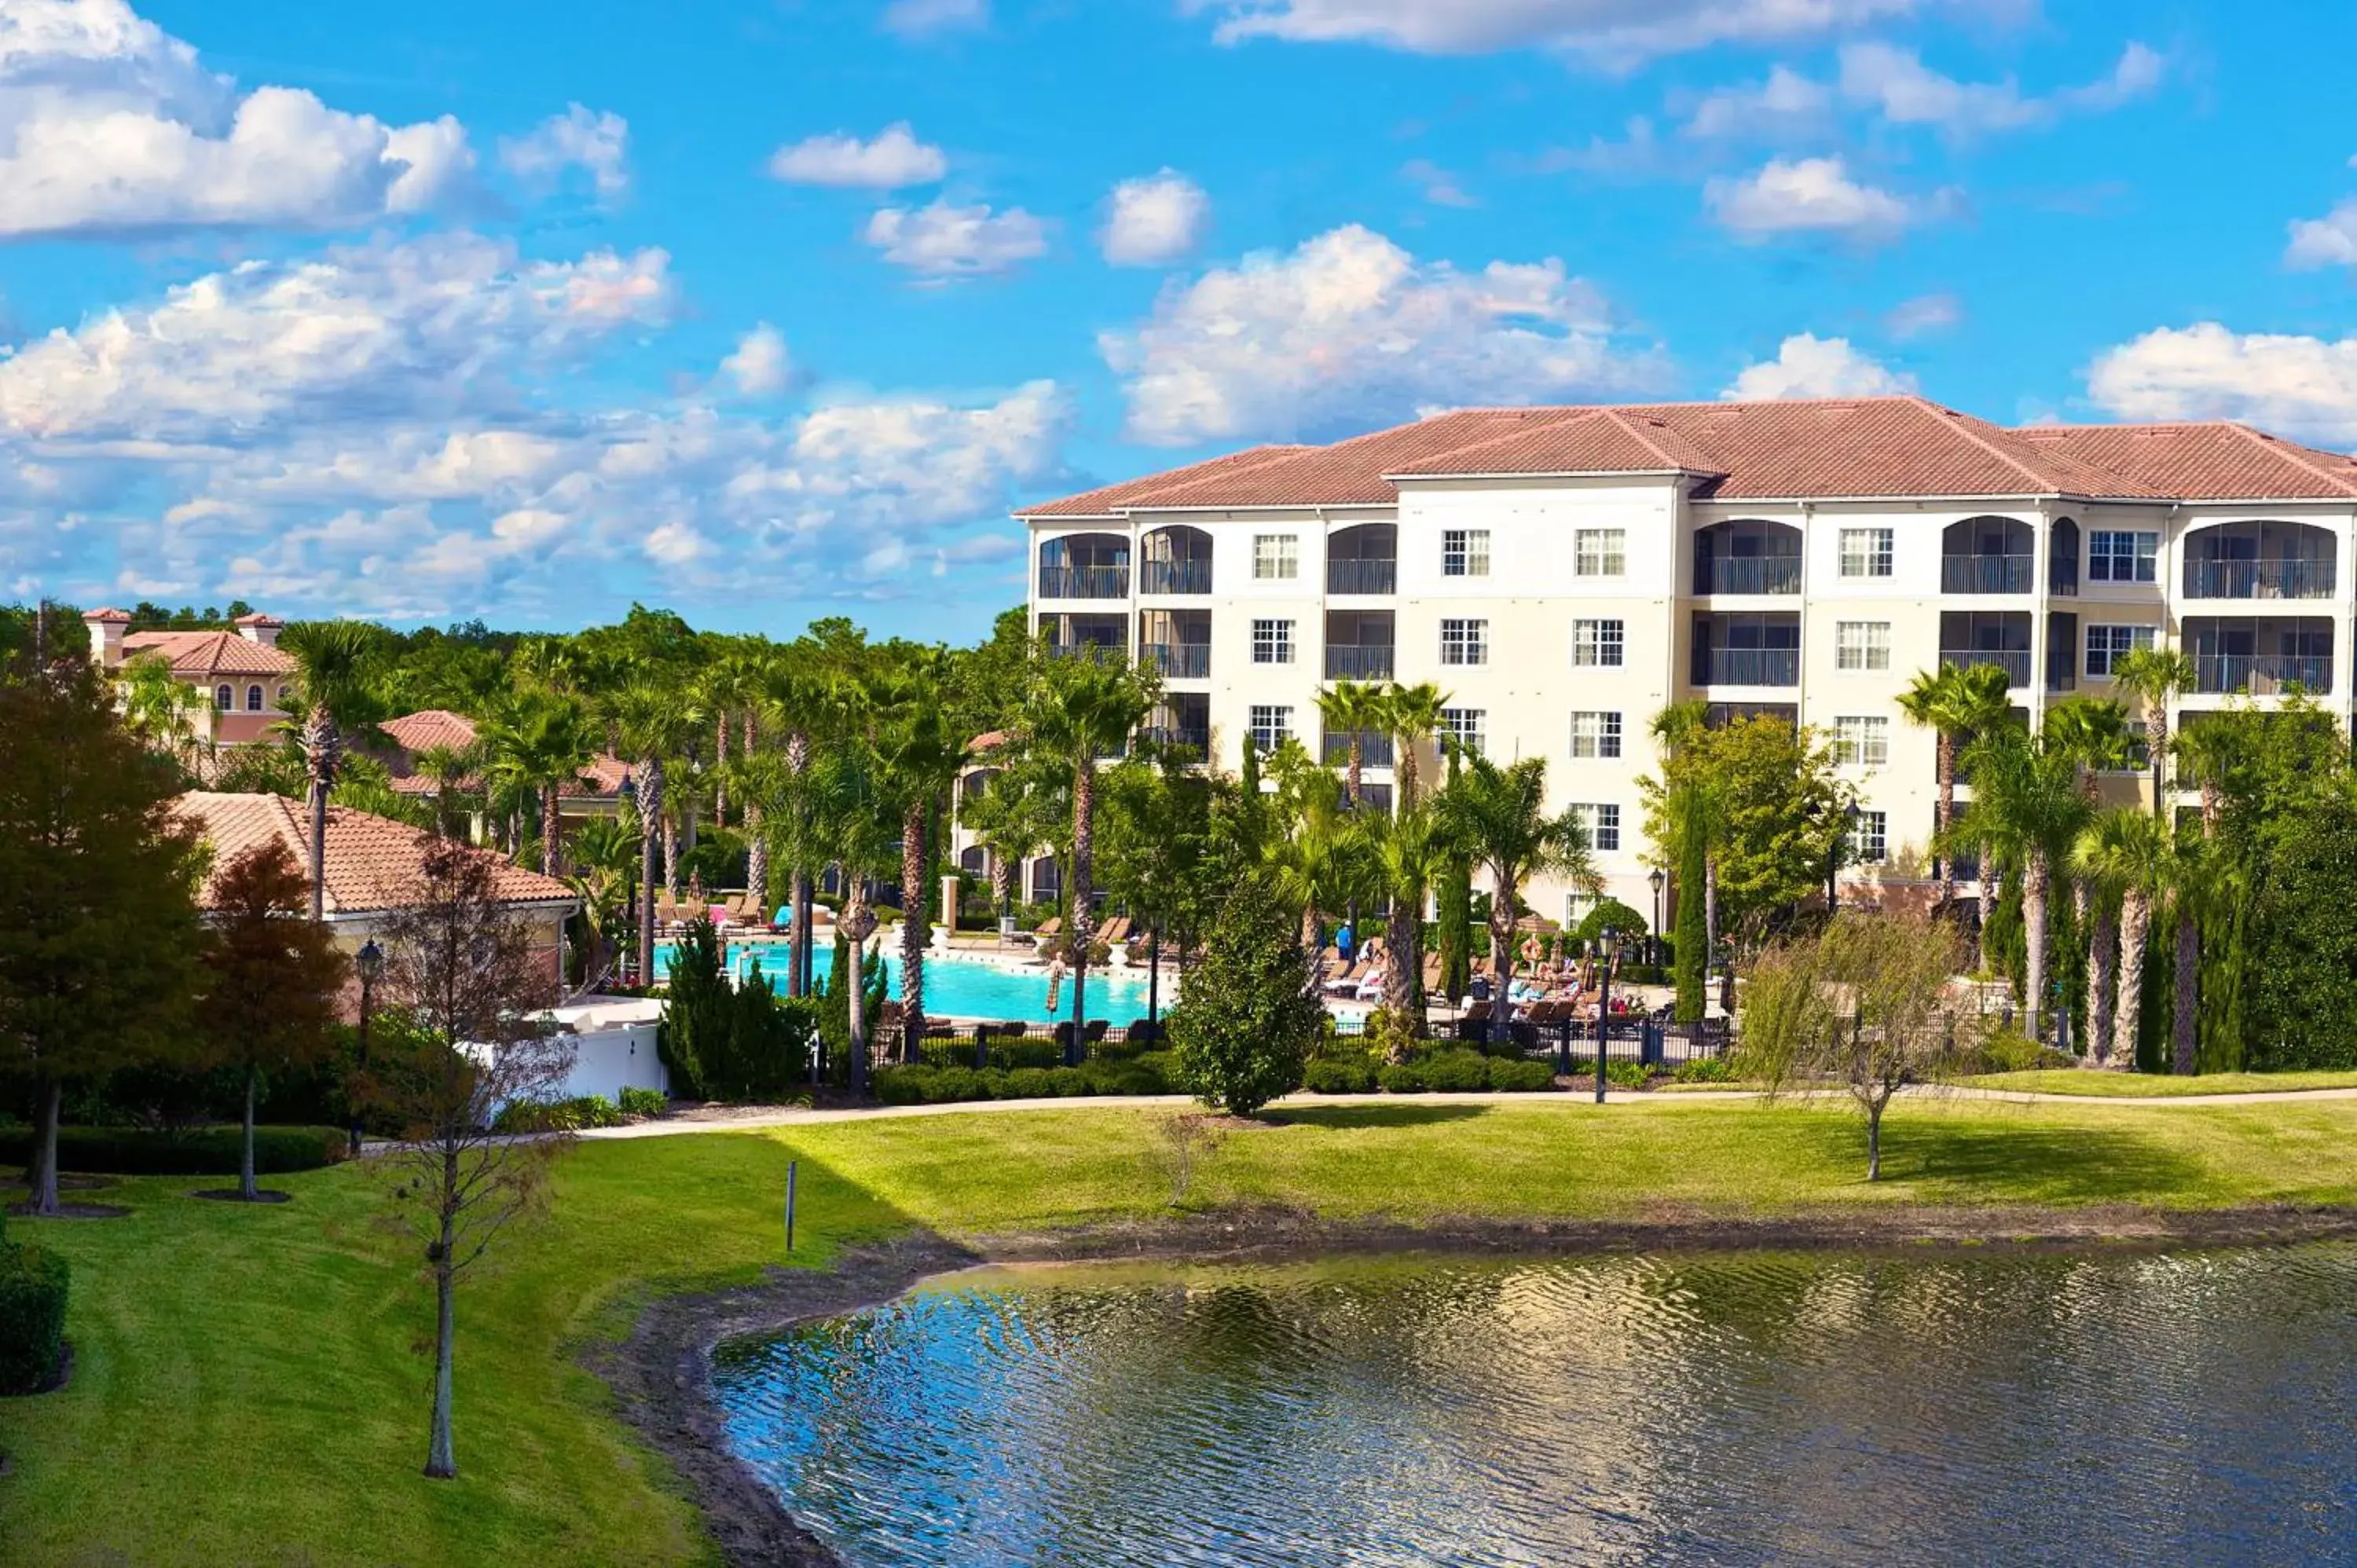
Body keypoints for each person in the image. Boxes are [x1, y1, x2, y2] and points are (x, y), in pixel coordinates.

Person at [1045, 951, 1068, 1017]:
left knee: (1051, 992)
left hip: (1052, 978)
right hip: (1058, 980)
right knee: (1055, 993)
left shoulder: (1053, 962)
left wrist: (1043, 971)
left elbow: (1048, 968)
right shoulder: (1062, 964)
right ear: (1062, 957)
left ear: (1056, 956)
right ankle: (1053, 1006)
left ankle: (1049, 1005)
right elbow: (1064, 973)